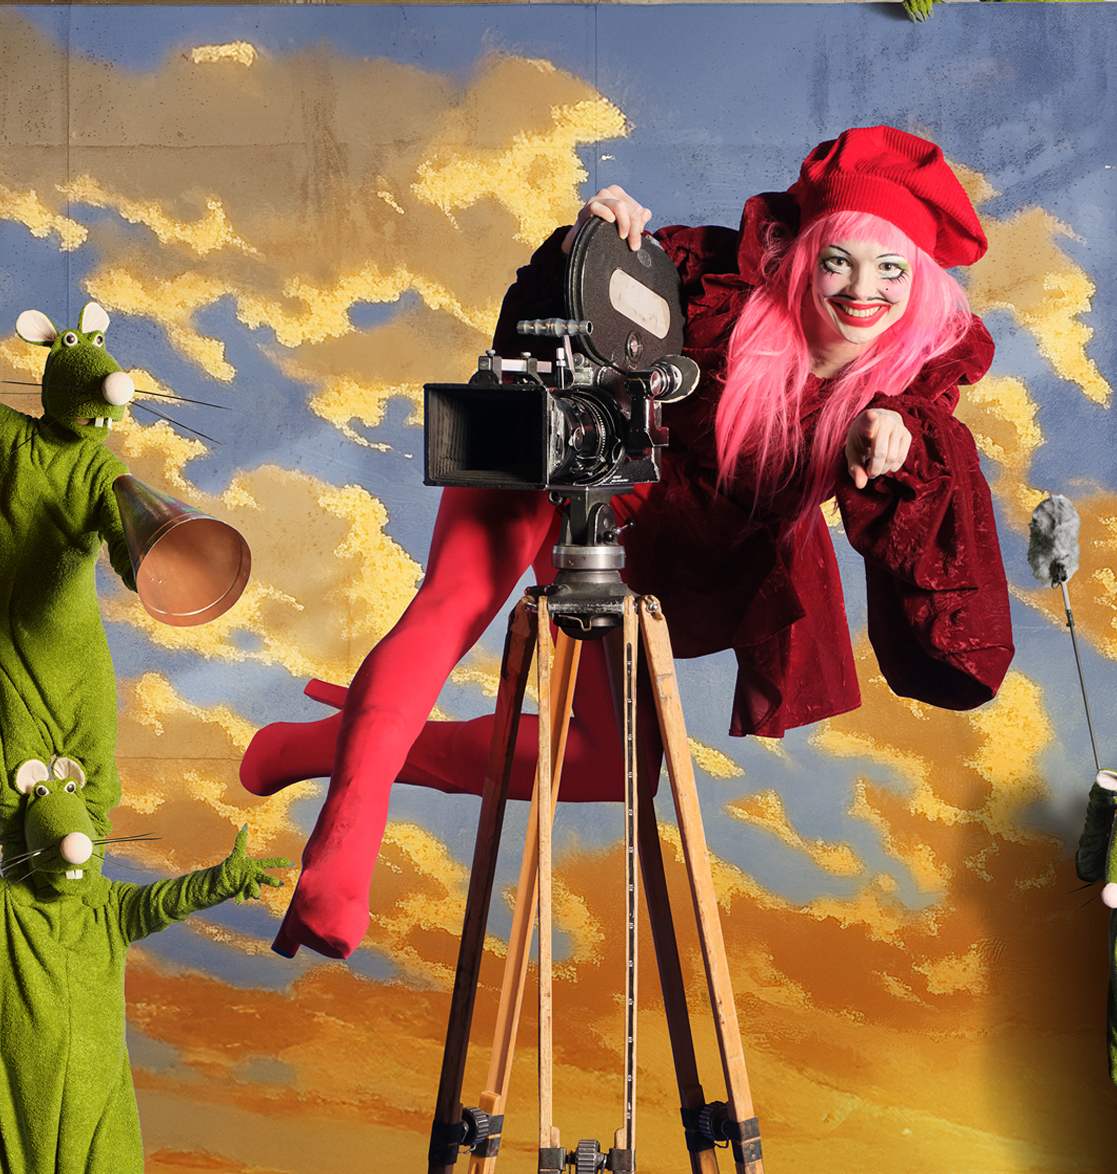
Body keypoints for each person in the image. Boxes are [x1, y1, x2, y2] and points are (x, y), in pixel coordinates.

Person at [242, 126, 1015, 960]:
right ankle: (339, 859)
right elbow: (559, 307)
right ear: (802, 255)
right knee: (454, 603)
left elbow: (930, 481)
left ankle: (321, 745)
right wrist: (585, 246)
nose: (863, 290)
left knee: (613, 767)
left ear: (921, 280)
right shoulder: (713, 282)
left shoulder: (913, 380)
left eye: (891, 268)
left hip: (639, 536)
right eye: (839, 261)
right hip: (554, 435)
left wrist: (891, 434)